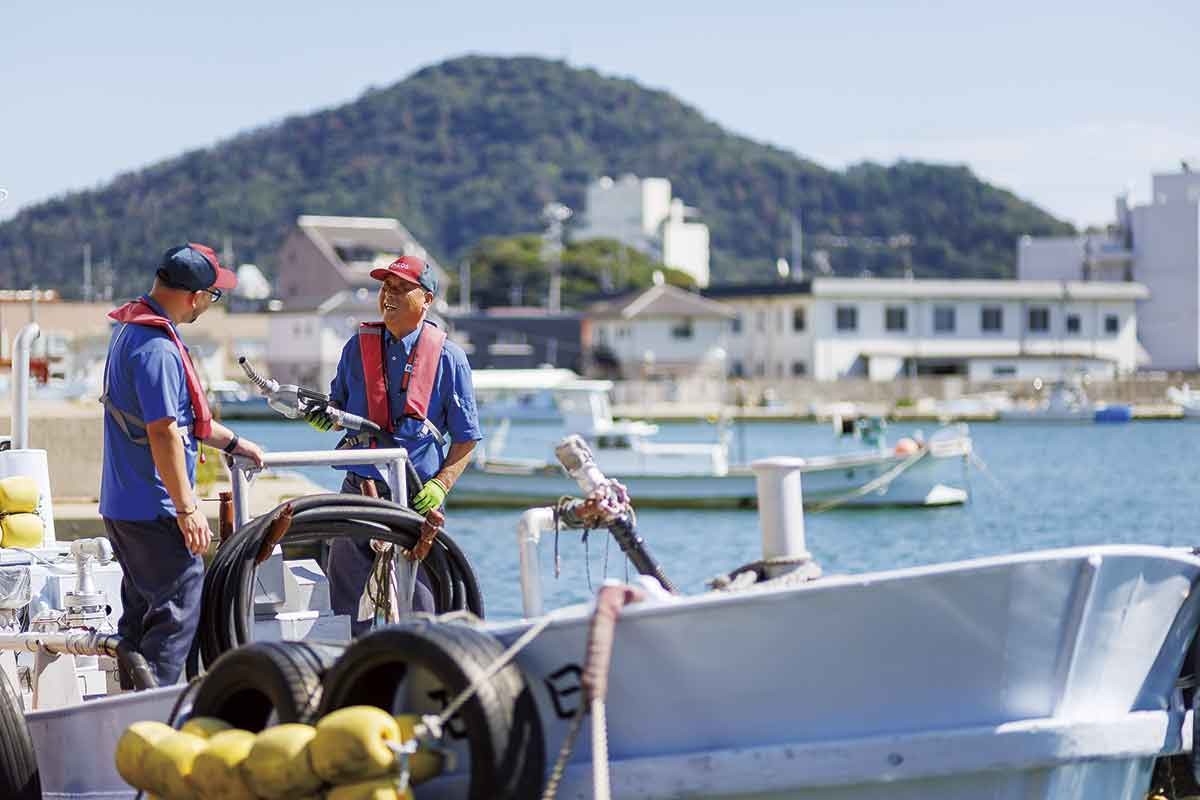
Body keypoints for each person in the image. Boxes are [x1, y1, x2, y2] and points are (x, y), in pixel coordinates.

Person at [99, 243, 265, 685]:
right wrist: (187, 508)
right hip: (154, 508)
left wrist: (235, 443)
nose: (211, 305)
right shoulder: (157, 348)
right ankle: (158, 718)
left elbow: (184, 421)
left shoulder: (130, 334)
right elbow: (164, 431)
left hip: (123, 505)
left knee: (140, 612)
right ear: (194, 296)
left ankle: (128, 709)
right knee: (178, 605)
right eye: (213, 296)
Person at [306, 255, 481, 631]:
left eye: (403, 289)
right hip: (358, 493)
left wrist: (440, 485)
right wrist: (324, 418)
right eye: (387, 287)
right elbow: (337, 411)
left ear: (427, 299)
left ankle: (420, 673)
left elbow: (466, 439)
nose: (390, 295)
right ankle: (354, 674)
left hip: (414, 502)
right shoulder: (357, 348)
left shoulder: (450, 360)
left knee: (422, 608)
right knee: (345, 610)